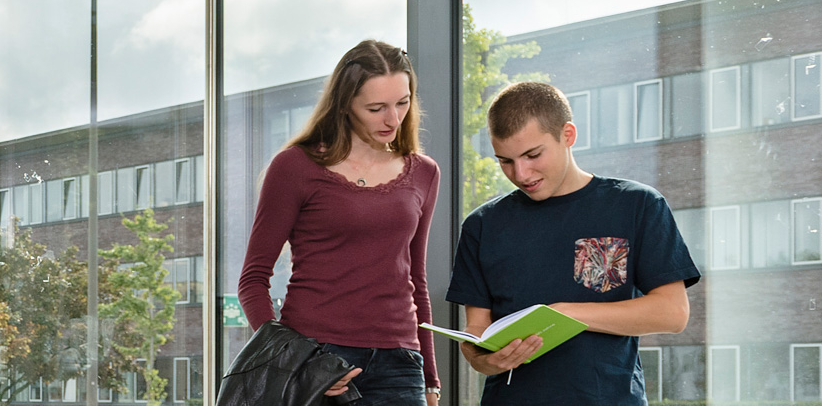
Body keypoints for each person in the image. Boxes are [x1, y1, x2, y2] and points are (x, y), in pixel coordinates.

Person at [449, 81, 697, 404]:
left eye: (532, 154)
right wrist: (481, 359)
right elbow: (476, 331)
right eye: (505, 161)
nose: (521, 173)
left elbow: (672, 312)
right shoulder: (481, 226)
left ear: (568, 135)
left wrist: (566, 315)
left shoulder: (638, 206)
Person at [238, 40, 444, 406]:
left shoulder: (424, 173)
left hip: (400, 364)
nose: (393, 119)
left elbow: (416, 278)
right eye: (376, 108)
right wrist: (296, 363)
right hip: (319, 358)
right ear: (345, 104)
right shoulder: (294, 167)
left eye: (403, 102)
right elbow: (253, 280)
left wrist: (429, 379)